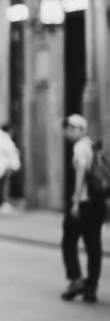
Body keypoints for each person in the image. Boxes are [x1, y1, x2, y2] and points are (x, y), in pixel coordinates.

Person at [60, 114, 105, 304]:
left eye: (71, 129)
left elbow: (80, 174)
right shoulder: (93, 146)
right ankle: (91, 288)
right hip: (97, 203)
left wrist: (76, 202)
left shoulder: (79, 147)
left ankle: (76, 280)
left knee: (68, 242)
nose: (67, 132)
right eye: (66, 129)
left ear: (81, 129)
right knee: (93, 245)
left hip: (84, 203)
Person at [0, 124, 21, 212]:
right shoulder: (4, 138)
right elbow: (10, 151)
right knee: (3, 185)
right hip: (4, 165)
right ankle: (1, 203)